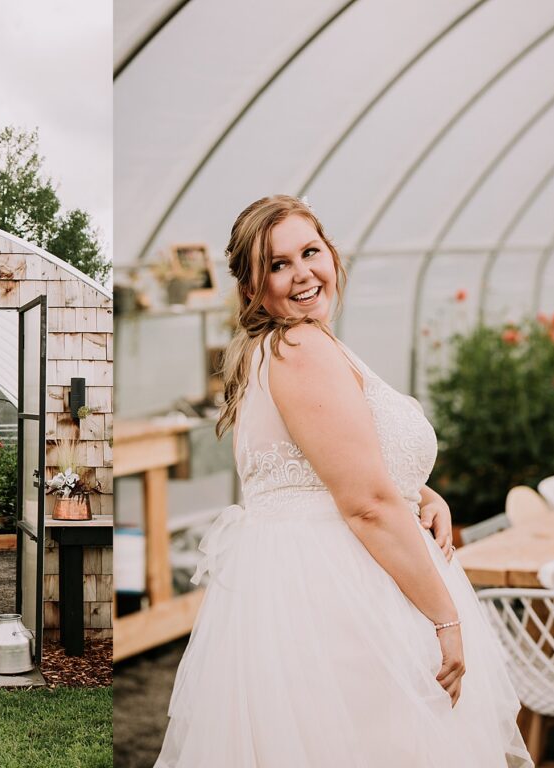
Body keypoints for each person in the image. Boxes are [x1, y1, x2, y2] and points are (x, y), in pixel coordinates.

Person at [155, 196, 532, 767]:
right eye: (279, 264)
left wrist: (419, 491)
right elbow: (366, 506)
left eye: (311, 251)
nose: (303, 272)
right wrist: (444, 618)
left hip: (323, 584)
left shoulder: (296, 343)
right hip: (341, 597)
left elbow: (329, 465)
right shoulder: (300, 346)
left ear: (332, 253)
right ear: (253, 286)